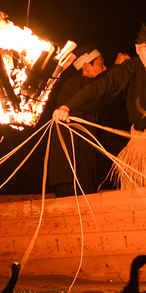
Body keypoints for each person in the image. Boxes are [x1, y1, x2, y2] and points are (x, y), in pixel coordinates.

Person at [53, 22, 146, 188]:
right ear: (137, 49)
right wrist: (66, 107)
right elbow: (97, 88)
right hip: (140, 150)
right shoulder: (128, 70)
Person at [47, 44, 112, 197]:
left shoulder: (81, 85)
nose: (105, 68)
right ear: (86, 66)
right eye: (101, 64)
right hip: (71, 174)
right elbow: (96, 95)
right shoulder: (75, 85)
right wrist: (117, 69)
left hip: (82, 173)